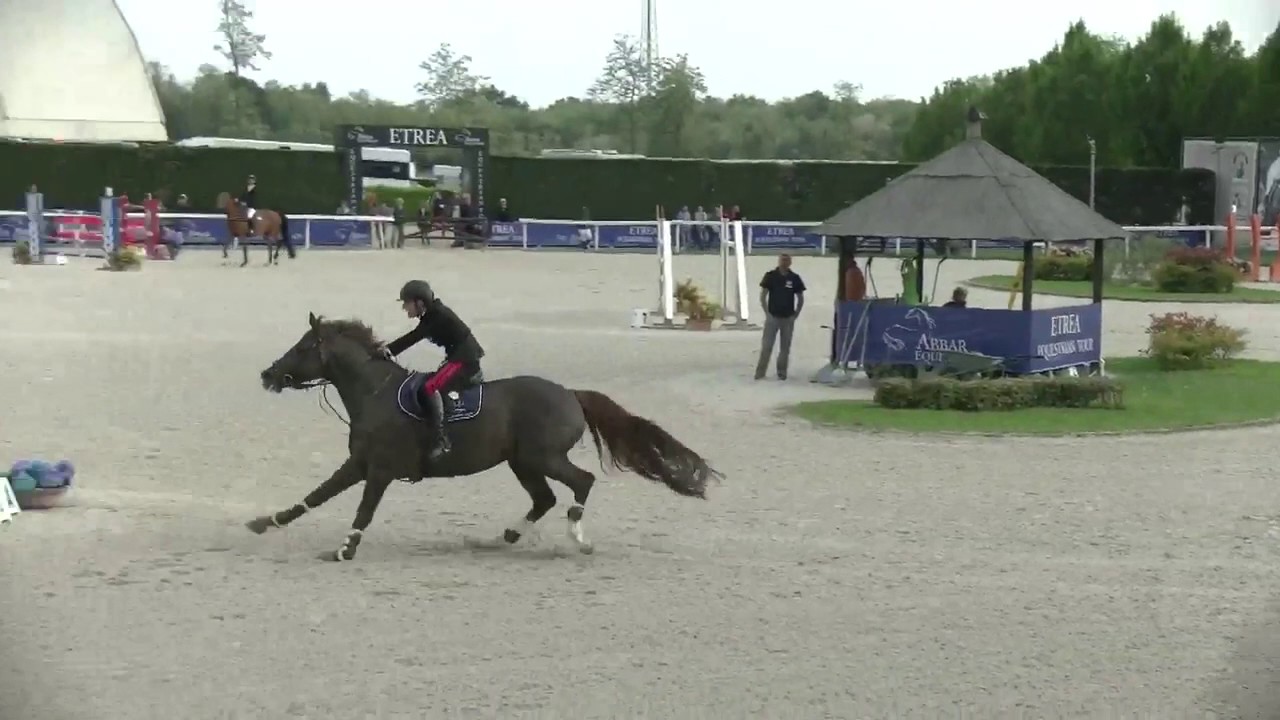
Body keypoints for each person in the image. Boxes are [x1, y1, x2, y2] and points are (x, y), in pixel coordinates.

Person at [379, 280, 485, 461]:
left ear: (420, 302)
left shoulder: (438, 315)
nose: (405, 308)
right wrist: (388, 349)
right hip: (457, 357)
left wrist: (388, 350)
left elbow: (415, 336)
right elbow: (417, 333)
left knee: (430, 387)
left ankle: (440, 440)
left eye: (407, 303)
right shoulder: (431, 315)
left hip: (464, 360)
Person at [755, 254, 805, 381]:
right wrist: (767, 313)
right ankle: (760, 373)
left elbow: (800, 297)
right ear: (778, 261)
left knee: (785, 347)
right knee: (767, 346)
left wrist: (796, 314)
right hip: (773, 316)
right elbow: (763, 296)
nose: (784, 262)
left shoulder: (794, 278)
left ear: (790, 262)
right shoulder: (771, 276)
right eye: (782, 260)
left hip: (788, 317)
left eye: (787, 260)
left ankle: (782, 373)